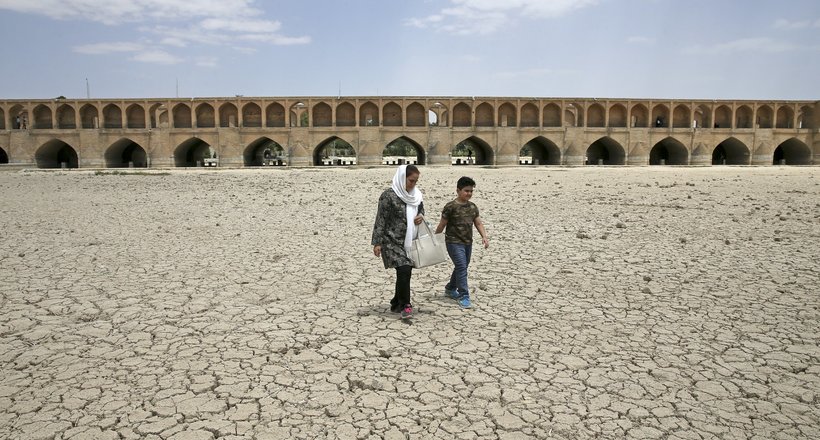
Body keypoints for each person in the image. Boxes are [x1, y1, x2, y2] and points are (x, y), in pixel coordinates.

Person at [372, 165, 425, 319]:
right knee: (404, 269)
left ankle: (396, 302)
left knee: (403, 271)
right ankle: (405, 305)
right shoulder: (388, 196)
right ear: (402, 178)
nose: (413, 184)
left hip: (409, 240)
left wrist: (420, 215)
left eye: (415, 181)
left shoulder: (416, 195)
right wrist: (377, 242)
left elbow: (421, 209)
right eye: (410, 181)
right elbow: (381, 219)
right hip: (391, 240)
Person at [435, 176, 489, 309]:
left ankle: (450, 288)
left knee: (462, 266)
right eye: (466, 191)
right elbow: (442, 225)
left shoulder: (472, 207)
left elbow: (478, 223)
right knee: (461, 266)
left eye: (471, 191)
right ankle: (464, 295)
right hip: (453, 242)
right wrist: (435, 239)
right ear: (458, 190)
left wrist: (484, 236)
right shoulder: (450, 207)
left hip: (467, 242)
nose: (469, 193)